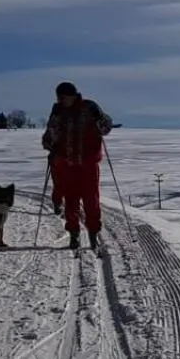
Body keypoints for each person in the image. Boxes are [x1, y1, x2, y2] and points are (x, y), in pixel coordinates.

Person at [41, 81, 114, 249]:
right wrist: (50, 144)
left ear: (73, 95)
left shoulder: (89, 107)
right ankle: (74, 235)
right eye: (59, 97)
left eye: (64, 97)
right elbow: (48, 138)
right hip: (67, 165)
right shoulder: (58, 112)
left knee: (91, 201)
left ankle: (93, 233)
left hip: (88, 165)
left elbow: (106, 127)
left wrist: (100, 118)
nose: (61, 100)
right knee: (71, 203)